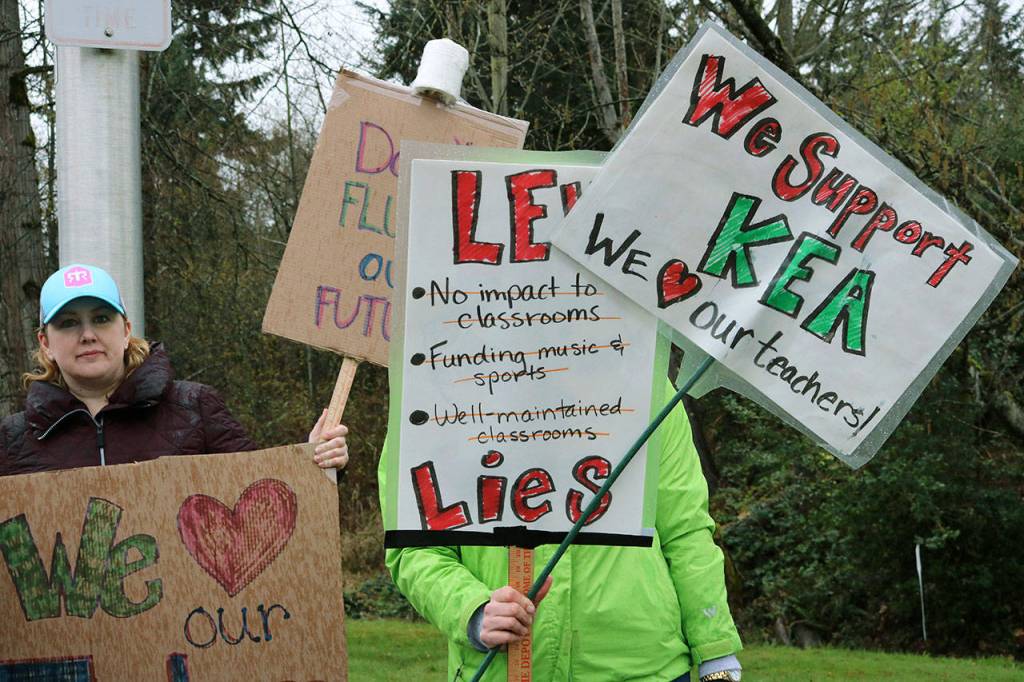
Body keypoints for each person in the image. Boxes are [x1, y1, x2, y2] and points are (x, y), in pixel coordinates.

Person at [379, 376, 743, 681]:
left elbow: (685, 531)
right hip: (503, 668)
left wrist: (717, 654)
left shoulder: (646, 381)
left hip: (645, 667)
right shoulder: (437, 386)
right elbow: (415, 545)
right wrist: (472, 610)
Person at [0, 263, 348, 475]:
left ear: (125, 330)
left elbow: (263, 494)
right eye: (69, 323)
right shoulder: (12, 442)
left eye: (102, 318)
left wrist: (312, 461)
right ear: (45, 342)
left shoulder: (195, 408)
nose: (88, 334)